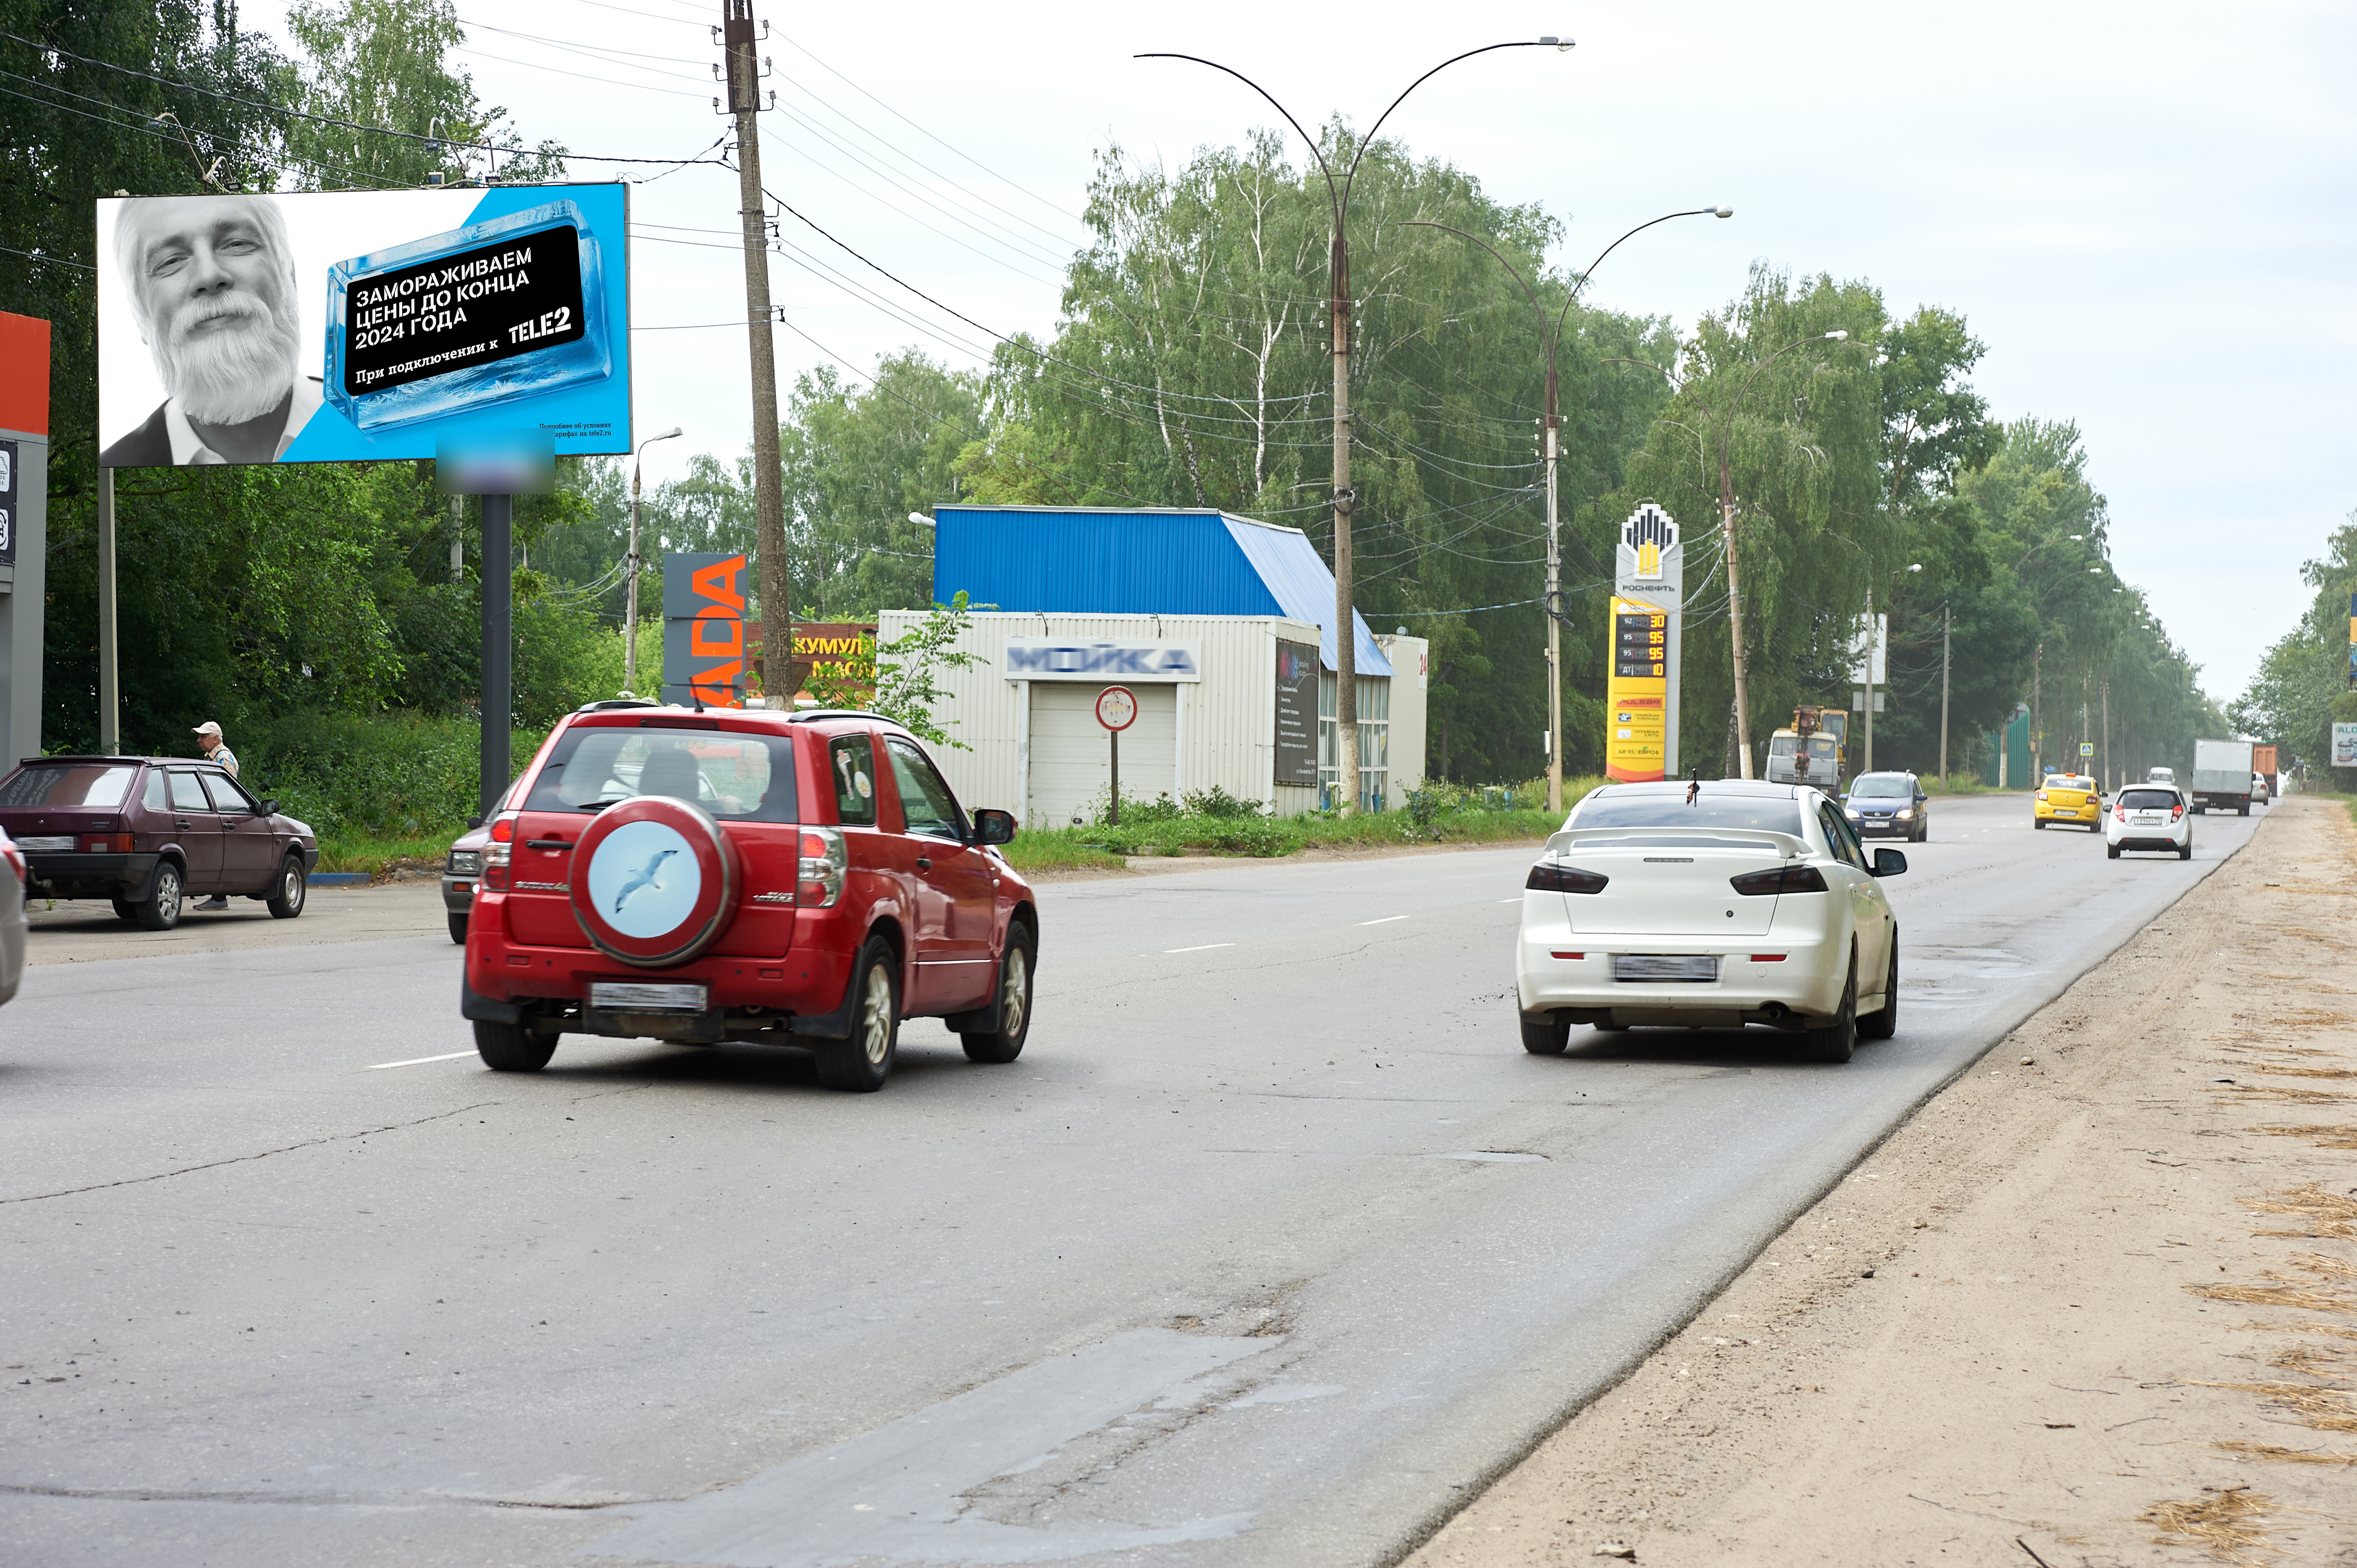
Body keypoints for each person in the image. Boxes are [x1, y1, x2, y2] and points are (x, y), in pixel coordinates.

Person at [101, 194, 322, 467]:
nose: (208, 276)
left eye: (237, 243)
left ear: (290, 278)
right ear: (139, 317)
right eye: (170, 262)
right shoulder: (111, 469)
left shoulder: (382, 423)